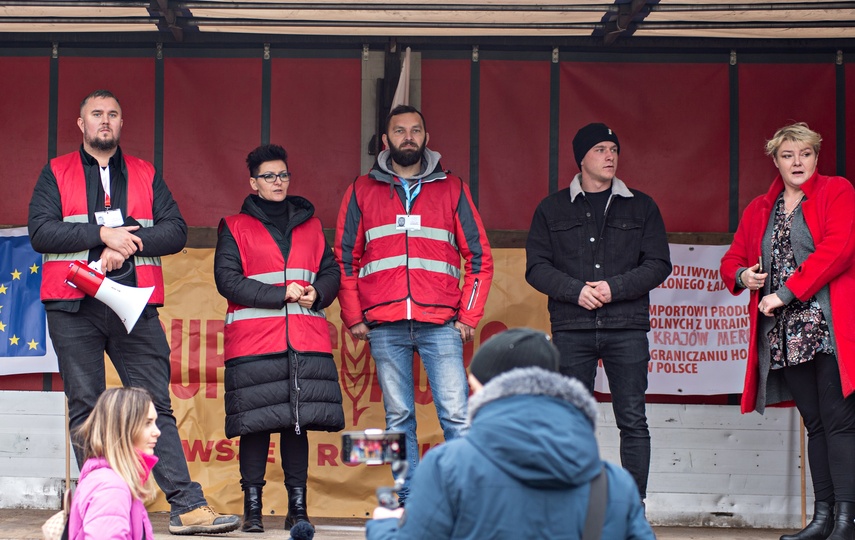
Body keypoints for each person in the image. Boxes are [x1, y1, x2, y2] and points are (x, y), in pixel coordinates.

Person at [28, 89, 240, 535]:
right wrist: (103, 234)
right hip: (72, 307)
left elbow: (176, 231)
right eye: (96, 114)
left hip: (134, 306)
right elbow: (41, 232)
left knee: (153, 407)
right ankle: (96, 506)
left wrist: (131, 242)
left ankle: (187, 508)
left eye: (113, 115)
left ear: (122, 124)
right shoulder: (55, 171)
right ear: (80, 125)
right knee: (85, 407)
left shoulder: (146, 173)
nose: (104, 121)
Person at [334, 105, 493, 501]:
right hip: (385, 325)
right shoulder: (360, 190)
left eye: (416, 130)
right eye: (400, 131)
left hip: (441, 323)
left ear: (426, 138)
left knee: (457, 415)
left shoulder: (452, 188)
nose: (409, 137)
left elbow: (478, 257)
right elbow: (344, 259)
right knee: (398, 418)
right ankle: (409, 500)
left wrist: (469, 315)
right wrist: (354, 315)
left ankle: (464, 499)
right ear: (386, 141)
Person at [365, 328, 655, 540]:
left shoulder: (447, 468)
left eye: (474, 388)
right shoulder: (614, 485)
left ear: (488, 392)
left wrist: (384, 525)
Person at [720, 122, 855, 540]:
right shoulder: (762, 207)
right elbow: (732, 260)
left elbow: (840, 249)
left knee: (839, 421)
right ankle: (823, 518)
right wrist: (744, 276)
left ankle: (847, 521)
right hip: (784, 332)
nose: (798, 163)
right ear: (775, 160)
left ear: (817, 156)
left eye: (806, 154)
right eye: (788, 155)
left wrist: (784, 292)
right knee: (815, 423)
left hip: (827, 323)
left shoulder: (837, 191)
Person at [525, 122, 672, 502]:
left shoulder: (642, 205)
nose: (610, 156)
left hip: (627, 327)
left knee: (633, 421)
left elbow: (658, 263)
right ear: (581, 159)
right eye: (601, 149)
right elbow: (536, 267)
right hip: (572, 328)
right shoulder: (551, 208)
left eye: (614, 149)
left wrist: (613, 288)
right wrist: (575, 291)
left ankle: (633, 507)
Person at [214, 144, 344, 532]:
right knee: (255, 427)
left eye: (283, 174)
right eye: (269, 176)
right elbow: (228, 281)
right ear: (253, 183)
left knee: (296, 425)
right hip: (254, 343)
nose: (278, 181)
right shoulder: (234, 226)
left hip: (304, 341)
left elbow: (331, 272)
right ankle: (253, 510)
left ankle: (298, 510)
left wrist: (317, 293)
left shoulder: (311, 225)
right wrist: (280, 293)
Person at [69, 387, 160, 539]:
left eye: (155, 423)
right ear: (123, 428)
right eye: (147, 423)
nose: (157, 431)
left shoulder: (110, 480)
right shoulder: (111, 487)